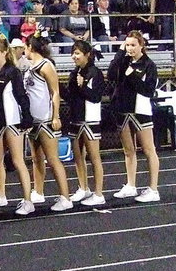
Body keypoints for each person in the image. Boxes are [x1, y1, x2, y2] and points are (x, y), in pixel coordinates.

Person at [0, 36, 35, 215]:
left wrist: (27, 118)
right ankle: (0, 195)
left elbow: (21, 96)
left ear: (4, 52)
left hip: (12, 121)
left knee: (18, 160)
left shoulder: (13, 72)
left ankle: (28, 200)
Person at [107, 30, 160, 202]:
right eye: (127, 45)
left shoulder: (149, 65)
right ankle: (131, 185)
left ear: (141, 45)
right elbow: (111, 74)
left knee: (148, 149)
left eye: (133, 45)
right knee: (128, 151)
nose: (130, 48)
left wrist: (132, 75)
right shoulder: (124, 60)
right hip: (122, 109)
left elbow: (148, 90)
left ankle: (153, 189)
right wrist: (120, 52)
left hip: (141, 110)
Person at [23, 36, 73, 212]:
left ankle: (65, 197)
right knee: (36, 158)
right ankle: (39, 191)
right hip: (33, 120)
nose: (24, 50)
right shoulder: (30, 67)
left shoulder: (46, 65)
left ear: (30, 47)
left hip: (46, 119)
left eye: (25, 47)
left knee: (53, 159)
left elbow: (55, 92)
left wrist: (56, 116)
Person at [67, 40, 107, 205]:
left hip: (90, 119)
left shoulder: (95, 73)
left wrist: (82, 87)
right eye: (73, 53)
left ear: (87, 55)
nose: (74, 57)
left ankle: (98, 194)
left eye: (77, 53)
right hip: (76, 118)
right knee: (78, 156)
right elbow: (70, 97)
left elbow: (96, 97)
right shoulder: (74, 72)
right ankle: (83, 188)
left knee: (94, 157)